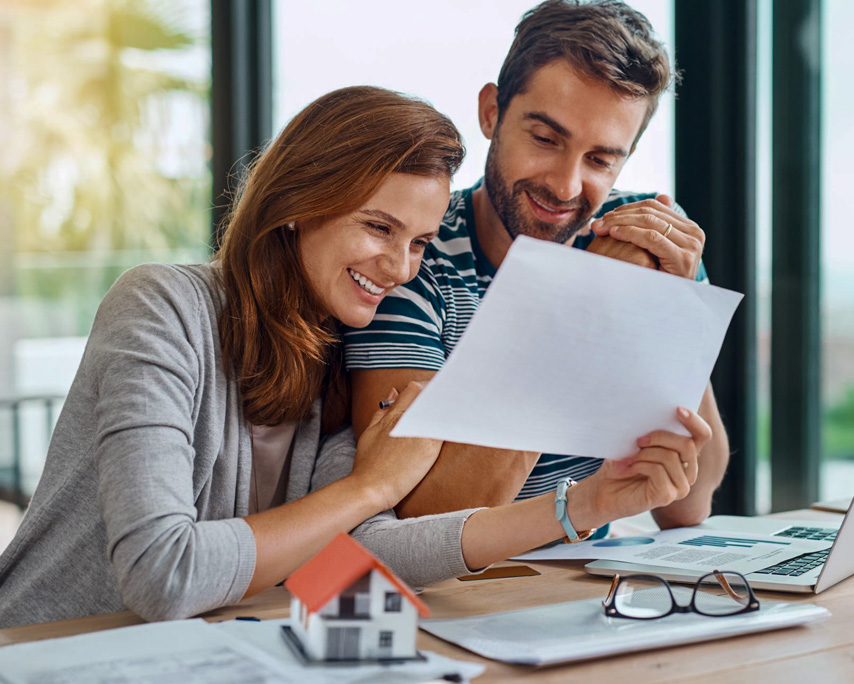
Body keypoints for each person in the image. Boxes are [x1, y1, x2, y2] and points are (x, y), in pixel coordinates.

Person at [0, 85, 710, 629]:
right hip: (53, 650)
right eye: (378, 226)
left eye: (422, 241)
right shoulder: (159, 307)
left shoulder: (335, 344)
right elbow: (164, 573)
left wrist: (583, 506)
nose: (401, 267)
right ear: (296, 204)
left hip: (198, 655)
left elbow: (362, 553)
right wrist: (369, 487)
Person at [343, 0, 729, 528]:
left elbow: (686, 505)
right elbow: (418, 514)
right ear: (491, 112)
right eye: (546, 139)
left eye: (600, 159)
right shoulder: (412, 257)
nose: (566, 185)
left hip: (591, 584)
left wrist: (672, 311)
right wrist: (584, 303)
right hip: (471, 593)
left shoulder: (646, 238)